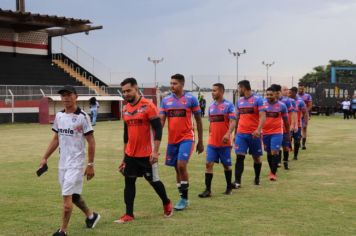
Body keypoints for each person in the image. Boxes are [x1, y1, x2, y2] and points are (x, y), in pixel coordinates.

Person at [38, 85, 100, 236]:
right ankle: (91, 216)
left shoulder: (82, 117)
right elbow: (56, 139)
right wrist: (45, 157)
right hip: (63, 163)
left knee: (66, 201)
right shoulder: (59, 116)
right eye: (63, 95)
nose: (65, 98)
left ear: (76, 96)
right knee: (73, 195)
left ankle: (62, 231)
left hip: (76, 164)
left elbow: (91, 141)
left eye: (69, 95)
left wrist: (90, 164)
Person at [116, 78, 173, 223]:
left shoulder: (148, 106)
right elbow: (125, 135)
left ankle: (166, 202)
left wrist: (155, 152)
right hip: (130, 154)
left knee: (153, 180)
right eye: (123, 91)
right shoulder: (125, 108)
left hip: (147, 154)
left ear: (136, 88)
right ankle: (129, 214)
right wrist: (124, 157)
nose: (126, 94)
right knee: (129, 182)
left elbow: (158, 129)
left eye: (128, 90)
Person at [160, 73, 204, 210]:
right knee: (176, 168)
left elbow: (198, 120)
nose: (172, 86)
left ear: (182, 84)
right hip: (172, 140)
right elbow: (161, 122)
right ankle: (182, 196)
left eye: (175, 83)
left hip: (187, 137)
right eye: (171, 83)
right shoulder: (166, 101)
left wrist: (200, 141)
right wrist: (154, 140)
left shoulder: (191, 99)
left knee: (181, 165)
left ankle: (184, 199)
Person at [198, 83, 236, 198]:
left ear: (221, 92)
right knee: (208, 164)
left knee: (226, 165)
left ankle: (229, 187)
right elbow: (211, 124)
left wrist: (228, 134)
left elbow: (233, 121)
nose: (212, 92)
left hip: (224, 143)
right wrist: (210, 136)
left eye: (214, 90)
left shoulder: (229, 106)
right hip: (212, 143)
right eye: (212, 90)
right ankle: (208, 190)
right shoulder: (211, 107)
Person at [233, 80, 266, 188]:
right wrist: (235, 133)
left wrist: (258, 129)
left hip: (254, 134)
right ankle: (237, 182)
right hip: (241, 134)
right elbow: (237, 118)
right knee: (239, 157)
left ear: (243, 88)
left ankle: (257, 178)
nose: (238, 91)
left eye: (239, 88)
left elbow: (262, 116)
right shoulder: (239, 101)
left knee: (256, 158)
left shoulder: (258, 100)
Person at [262, 87, 290, 181]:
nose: (269, 96)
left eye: (271, 94)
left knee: (275, 152)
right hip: (265, 132)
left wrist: (288, 133)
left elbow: (286, 121)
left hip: (277, 132)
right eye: (267, 94)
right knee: (269, 153)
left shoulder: (282, 106)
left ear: (276, 95)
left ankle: (273, 174)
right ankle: (271, 170)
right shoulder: (262, 104)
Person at [289, 87, 309, 160]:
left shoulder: (300, 102)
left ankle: (295, 156)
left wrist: (305, 121)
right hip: (288, 124)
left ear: (294, 93)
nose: (289, 94)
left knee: (297, 141)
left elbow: (305, 112)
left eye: (290, 93)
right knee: (288, 140)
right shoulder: (287, 101)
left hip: (298, 124)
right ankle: (287, 154)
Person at [297, 84, 312, 150]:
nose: (300, 90)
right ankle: (298, 143)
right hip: (297, 115)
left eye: (302, 89)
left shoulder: (308, 96)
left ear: (304, 89)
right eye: (299, 89)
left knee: (304, 128)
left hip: (305, 115)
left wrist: (305, 112)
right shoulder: (296, 96)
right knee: (297, 129)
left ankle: (303, 144)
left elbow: (310, 106)